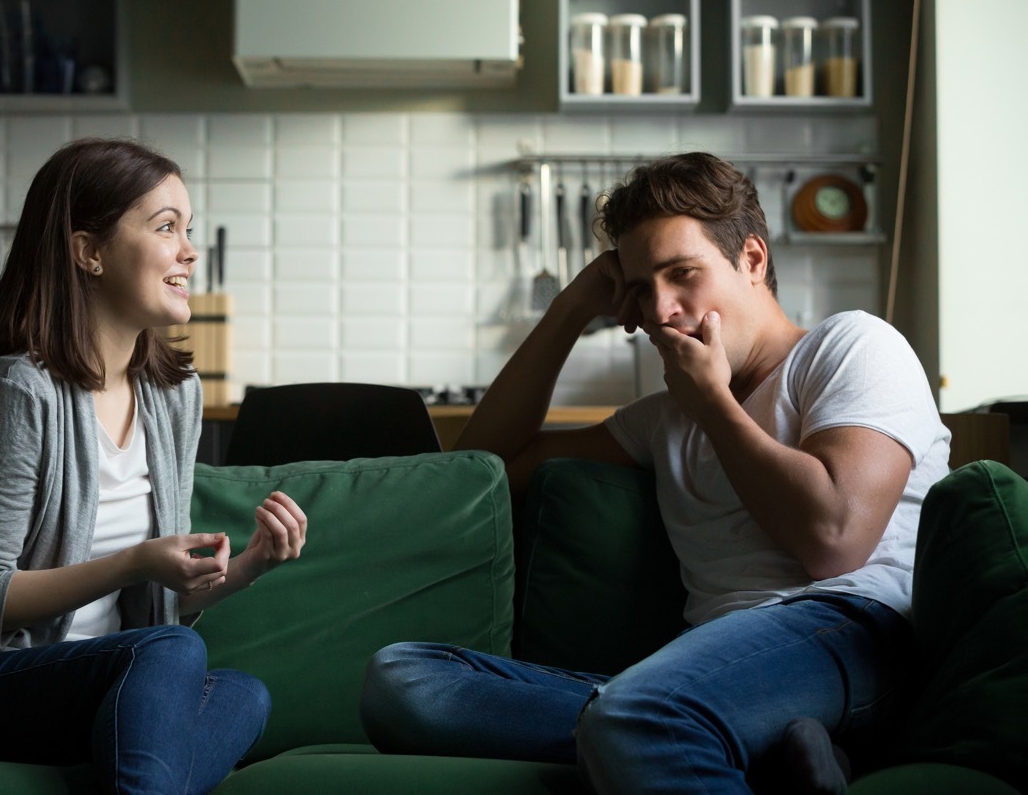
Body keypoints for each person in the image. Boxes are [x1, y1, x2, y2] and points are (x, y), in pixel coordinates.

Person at [359, 152, 951, 794]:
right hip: (708, 667)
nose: (660, 309)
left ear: (752, 260)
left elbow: (834, 539)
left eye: (682, 274)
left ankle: (663, 722)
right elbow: (483, 470)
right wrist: (571, 308)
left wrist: (715, 406)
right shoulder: (661, 419)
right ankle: (743, 741)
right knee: (402, 682)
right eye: (641, 288)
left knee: (637, 717)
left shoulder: (852, 347)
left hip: (851, 631)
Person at [0, 137, 308, 795]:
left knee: (243, 695)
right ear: (89, 251)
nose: (190, 251)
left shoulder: (173, 396)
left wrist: (251, 565)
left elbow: (161, 597)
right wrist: (134, 561)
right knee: (172, 654)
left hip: (102, 681)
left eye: (187, 231)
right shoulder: (17, 393)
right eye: (167, 228)